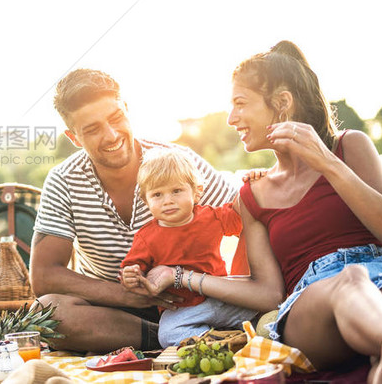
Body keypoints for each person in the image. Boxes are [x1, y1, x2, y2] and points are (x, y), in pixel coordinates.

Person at [129, 40, 382, 381]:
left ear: (282, 104)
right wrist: (182, 276)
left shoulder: (349, 147)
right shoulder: (254, 194)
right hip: (312, 302)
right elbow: (267, 293)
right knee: (353, 281)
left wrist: (327, 162)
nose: (231, 118)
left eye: (241, 104)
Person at [30, 68, 242, 353]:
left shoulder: (176, 162)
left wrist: (242, 287)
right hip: (113, 313)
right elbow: (44, 275)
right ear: (74, 137)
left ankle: (189, 332)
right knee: (47, 312)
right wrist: (130, 296)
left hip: (198, 302)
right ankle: (173, 338)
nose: (111, 135)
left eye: (116, 118)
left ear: (127, 110)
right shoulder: (63, 180)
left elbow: (248, 219)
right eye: (92, 129)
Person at [120, 149, 257, 347]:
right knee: (167, 334)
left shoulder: (211, 217)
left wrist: (251, 184)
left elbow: (241, 214)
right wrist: (131, 276)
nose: (168, 200)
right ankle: (219, 340)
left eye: (176, 191)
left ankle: (234, 335)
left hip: (221, 297)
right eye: (157, 194)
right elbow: (132, 270)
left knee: (261, 311)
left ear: (196, 192)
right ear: (145, 200)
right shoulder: (146, 237)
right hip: (183, 309)